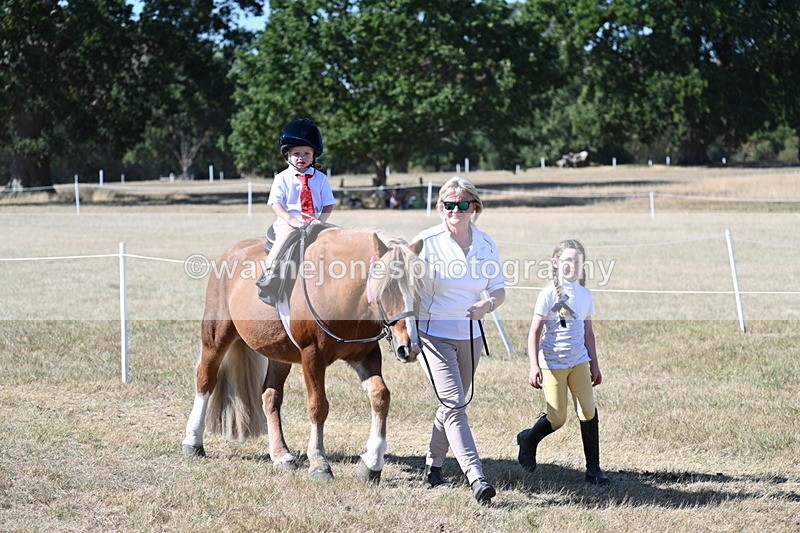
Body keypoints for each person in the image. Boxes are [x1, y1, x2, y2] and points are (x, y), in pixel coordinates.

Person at [412, 176, 506, 504]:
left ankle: (433, 466)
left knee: (454, 404)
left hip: (470, 334)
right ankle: (476, 476)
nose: (455, 210)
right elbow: (404, 289)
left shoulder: (486, 243)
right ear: (441, 208)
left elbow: (498, 290)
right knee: (454, 403)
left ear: (474, 208)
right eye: (449, 204)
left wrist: (487, 305)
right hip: (433, 334)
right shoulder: (426, 241)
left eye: (463, 204)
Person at [517, 239, 610, 484]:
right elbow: (534, 333)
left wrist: (594, 364)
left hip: (579, 361)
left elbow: (588, 333)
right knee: (557, 418)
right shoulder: (547, 294)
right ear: (556, 263)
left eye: (577, 261)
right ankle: (527, 440)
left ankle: (594, 469)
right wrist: (534, 365)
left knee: (588, 411)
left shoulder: (586, 294)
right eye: (568, 261)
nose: (572, 265)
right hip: (553, 364)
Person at [264, 118, 335, 282]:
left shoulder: (321, 178)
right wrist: (291, 220)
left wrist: (320, 221)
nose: (301, 157)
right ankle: (269, 276)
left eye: (306, 153)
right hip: (289, 223)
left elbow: (328, 204)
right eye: (296, 153)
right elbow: (276, 203)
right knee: (279, 247)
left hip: (315, 222)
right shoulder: (282, 178)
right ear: (287, 154)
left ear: (313, 156)